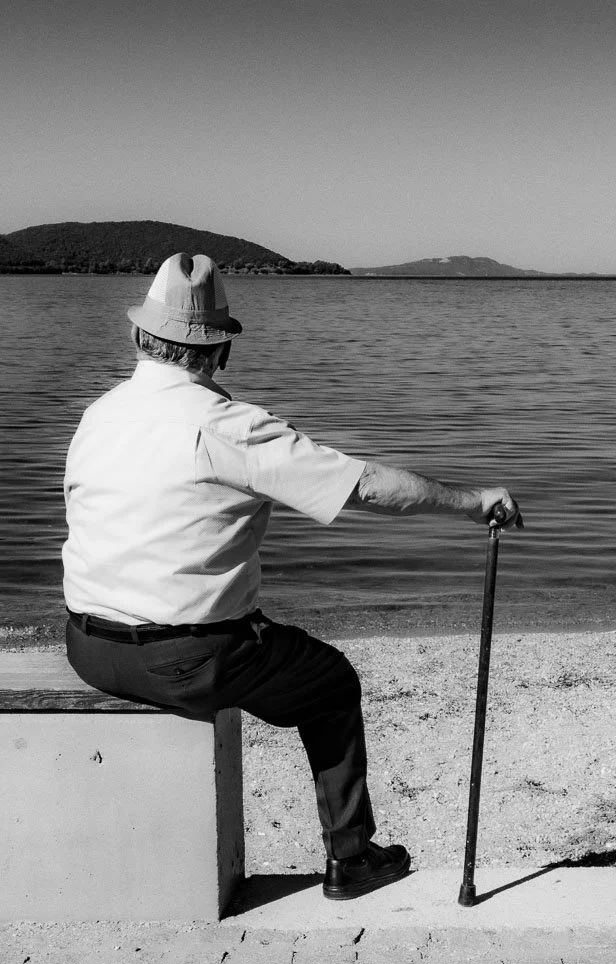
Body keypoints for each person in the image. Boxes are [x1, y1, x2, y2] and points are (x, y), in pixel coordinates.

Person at [61, 253, 521, 900]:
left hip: (87, 647)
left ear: (140, 336)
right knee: (329, 684)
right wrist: (471, 502)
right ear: (220, 349)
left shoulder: (98, 415)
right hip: (186, 661)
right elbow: (367, 486)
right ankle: (351, 857)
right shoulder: (229, 428)